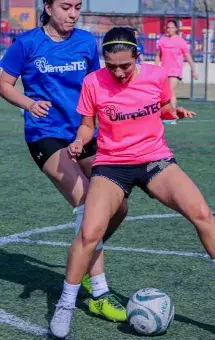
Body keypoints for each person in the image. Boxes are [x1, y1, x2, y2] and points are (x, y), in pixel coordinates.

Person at [49, 26, 215, 339]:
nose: (118, 72)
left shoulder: (156, 75)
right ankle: (65, 305)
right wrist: (79, 142)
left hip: (154, 159)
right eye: (111, 66)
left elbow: (160, 106)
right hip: (112, 164)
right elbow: (87, 124)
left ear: (138, 56)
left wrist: (173, 111)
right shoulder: (93, 81)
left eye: (125, 66)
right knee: (89, 233)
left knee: (201, 212)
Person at [0, 0, 127, 323]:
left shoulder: (86, 42)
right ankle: (98, 292)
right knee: (88, 201)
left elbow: (95, 86)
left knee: (119, 205)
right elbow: (3, 83)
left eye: (77, 7)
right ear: (48, 6)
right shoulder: (27, 43)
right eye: (66, 6)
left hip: (83, 133)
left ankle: (80, 257)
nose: (72, 13)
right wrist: (28, 103)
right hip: (46, 135)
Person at [155, 19, 198, 124]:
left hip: (175, 70)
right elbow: (157, 56)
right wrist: (155, 68)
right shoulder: (162, 40)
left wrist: (194, 70)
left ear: (176, 29)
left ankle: (172, 116)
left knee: (170, 91)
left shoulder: (181, 41)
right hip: (164, 70)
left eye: (172, 27)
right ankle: (165, 114)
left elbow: (188, 56)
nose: (169, 29)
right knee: (163, 93)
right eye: (168, 27)